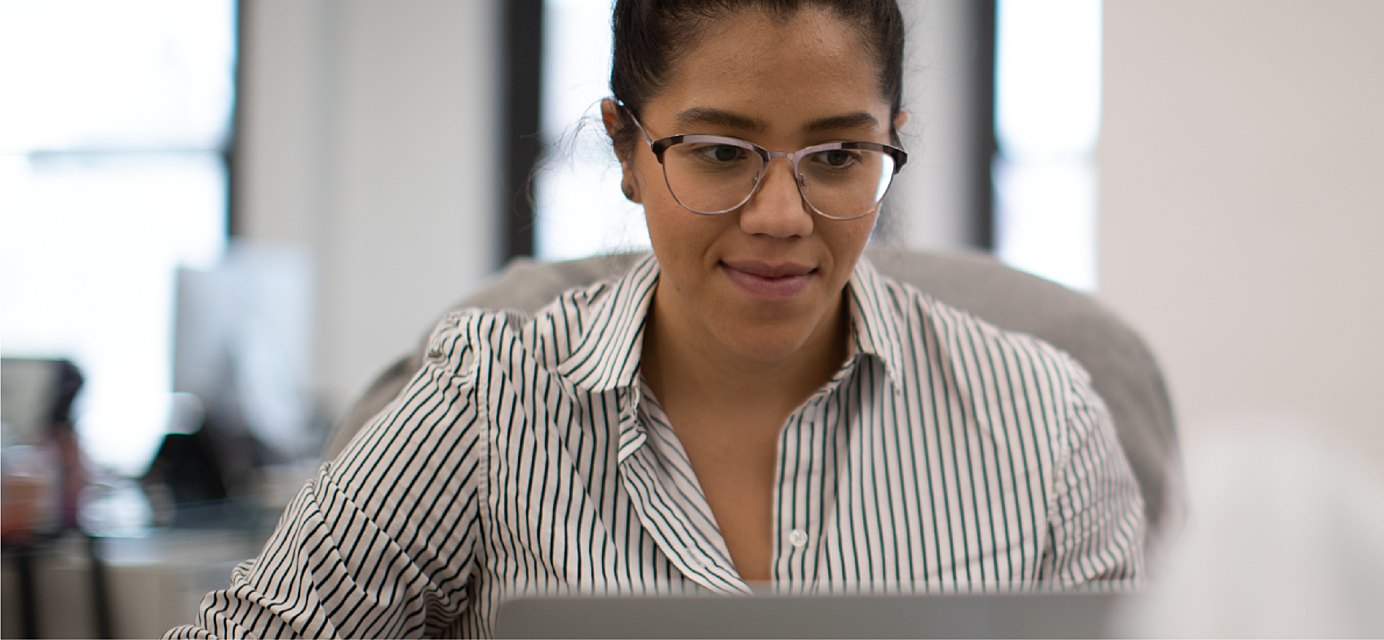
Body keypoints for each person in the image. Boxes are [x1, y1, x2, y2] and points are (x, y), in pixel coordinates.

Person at [169, 0, 1144, 636]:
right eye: (721, 151)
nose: (779, 217)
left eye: (839, 157)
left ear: (893, 144)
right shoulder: (492, 398)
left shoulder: (1043, 422)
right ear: (627, 149)